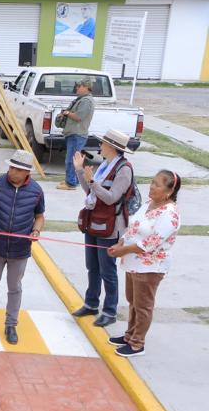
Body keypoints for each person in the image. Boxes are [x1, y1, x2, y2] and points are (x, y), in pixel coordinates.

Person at [0, 149, 46, 345]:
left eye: (18, 169)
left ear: (27, 173)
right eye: (11, 167)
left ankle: (11, 325)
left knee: (15, 287)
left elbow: (39, 217)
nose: (12, 172)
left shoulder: (37, 191)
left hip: (20, 249)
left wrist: (36, 232)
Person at [107, 170, 181, 357]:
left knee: (143, 305)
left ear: (169, 191)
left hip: (150, 266)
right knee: (133, 301)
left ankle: (137, 343)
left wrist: (123, 250)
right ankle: (129, 335)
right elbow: (134, 227)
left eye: (157, 184)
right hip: (133, 262)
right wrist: (121, 242)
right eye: (152, 182)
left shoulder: (170, 214)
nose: (152, 186)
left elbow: (149, 243)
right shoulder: (149, 204)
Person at [71, 128, 135, 328]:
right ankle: (91, 303)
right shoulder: (105, 165)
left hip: (110, 226)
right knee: (93, 267)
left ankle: (110, 311)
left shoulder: (124, 169)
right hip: (94, 222)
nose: (100, 146)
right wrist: (80, 171)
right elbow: (90, 191)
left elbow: (110, 198)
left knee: (107, 270)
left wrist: (91, 180)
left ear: (112, 147)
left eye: (102, 143)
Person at [56, 77, 94, 191]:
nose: (76, 88)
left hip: (77, 135)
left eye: (79, 86)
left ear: (86, 87)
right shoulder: (81, 99)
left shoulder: (86, 101)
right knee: (74, 160)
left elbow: (78, 117)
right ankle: (72, 180)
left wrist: (67, 113)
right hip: (74, 134)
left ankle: (71, 183)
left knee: (71, 160)